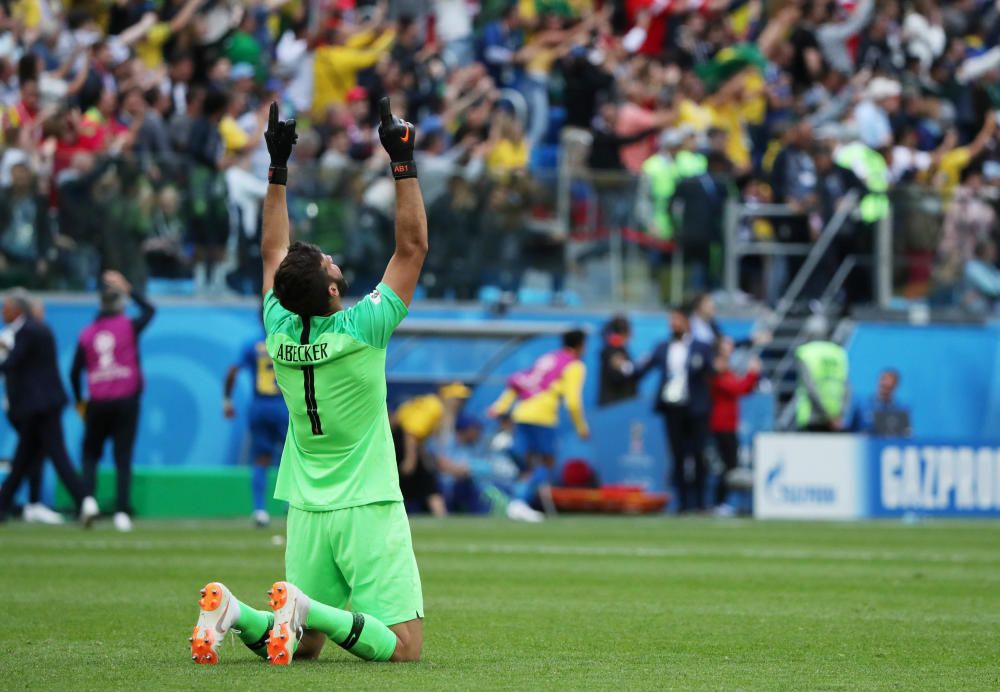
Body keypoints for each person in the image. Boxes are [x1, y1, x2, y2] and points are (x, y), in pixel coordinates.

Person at [191, 99, 427, 665]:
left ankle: (238, 615)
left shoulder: (277, 325)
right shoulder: (363, 328)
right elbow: (412, 248)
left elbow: (273, 248)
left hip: (306, 502)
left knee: (305, 648)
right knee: (403, 649)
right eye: (325, 262)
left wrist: (277, 165)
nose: (326, 257)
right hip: (367, 499)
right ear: (330, 290)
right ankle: (303, 607)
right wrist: (402, 160)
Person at [0, 289, 99, 525]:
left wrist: (4, 351)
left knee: (56, 455)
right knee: (25, 458)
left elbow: (12, 363)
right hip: (43, 405)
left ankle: (85, 500)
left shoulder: (28, 331)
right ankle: (3, 504)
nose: (3, 312)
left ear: (17, 310)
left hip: (39, 407)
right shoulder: (37, 330)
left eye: (6, 308)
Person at [69, 271, 155, 532]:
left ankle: (87, 501)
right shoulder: (128, 325)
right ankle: (121, 512)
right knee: (123, 455)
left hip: (97, 400)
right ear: (120, 304)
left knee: (90, 454)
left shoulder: (86, 334)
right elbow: (150, 310)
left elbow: (74, 372)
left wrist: (79, 402)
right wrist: (128, 287)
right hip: (126, 399)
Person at [488, 329, 591, 515]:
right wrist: (582, 428)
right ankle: (519, 502)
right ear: (581, 345)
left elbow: (520, 382)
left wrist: (500, 406)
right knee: (546, 465)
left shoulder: (548, 358)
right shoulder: (574, 365)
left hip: (522, 413)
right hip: (542, 416)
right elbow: (573, 402)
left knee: (527, 465)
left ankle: (510, 454)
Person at [635, 308, 714, 513]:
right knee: (677, 455)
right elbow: (642, 369)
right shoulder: (662, 347)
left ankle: (700, 503)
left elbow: (712, 371)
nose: (673, 324)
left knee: (698, 455)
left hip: (696, 407)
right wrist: (624, 370)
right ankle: (682, 503)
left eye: (677, 320)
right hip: (672, 407)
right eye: (671, 320)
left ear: (686, 322)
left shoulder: (702, 347)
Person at [223, 320, 289, 528]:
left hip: (259, 406)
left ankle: (260, 510)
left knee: (261, 459)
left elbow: (233, 370)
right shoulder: (288, 340)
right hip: (283, 406)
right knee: (293, 457)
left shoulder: (252, 343)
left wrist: (226, 399)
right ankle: (291, 504)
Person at [390, 382, 472, 517]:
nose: (460, 403)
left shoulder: (433, 405)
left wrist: (423, 457)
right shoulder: (435, 407)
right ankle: (441, 516)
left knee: (426, 481)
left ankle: (441, 516)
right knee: (419, 481)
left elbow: (418, 435)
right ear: (447, 397)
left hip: (406, 441)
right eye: (457, 398)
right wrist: (411, 459)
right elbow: (411, 431)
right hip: (401, 440)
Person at [709, 337, 760, 516]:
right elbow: (737, 388)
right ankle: (720, 502)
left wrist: (753, 377)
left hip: (729, 424)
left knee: (730, 465)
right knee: (727, 465)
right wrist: (752, 373)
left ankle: (723, 502)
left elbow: (743, 389)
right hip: (721, 424)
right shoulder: (717, 371)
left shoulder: (726, 370)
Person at [794, 315, 850, 432]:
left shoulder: (805, 352)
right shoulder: (839, 353)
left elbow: (810, 388)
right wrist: (838, 416)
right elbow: (846, 388)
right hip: (835, 419)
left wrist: (827, 415)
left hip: (812, 417)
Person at [851, 368, 911, 437]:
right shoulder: (862, 405)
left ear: (895, 386)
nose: (886, 385)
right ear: (879, 382)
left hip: (889, 446)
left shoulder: (901, 409)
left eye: (889, 387)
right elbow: (851, 431)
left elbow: (906, 435)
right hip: (865, 445)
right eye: (884, 384)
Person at [597, 314, 637, 406]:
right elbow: (617, 376)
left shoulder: (618, 348)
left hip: (617, 403)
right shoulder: (613, 350)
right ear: (625, 332)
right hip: (614, 405)